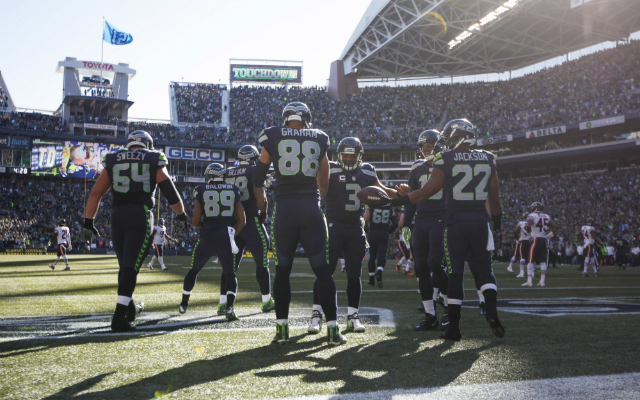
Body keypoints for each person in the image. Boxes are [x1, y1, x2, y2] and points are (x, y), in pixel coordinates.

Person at [365, 119, 505, 341]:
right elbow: (495, 200)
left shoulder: (445, 158)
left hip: (452, 222)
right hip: (477, 220)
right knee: (483, 269)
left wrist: (394, 202)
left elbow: (423, 193)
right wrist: (497, 225)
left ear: (454, 136)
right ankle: (490, 311)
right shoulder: (487, 157)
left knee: (455, 273)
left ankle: (454, 326)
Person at [252, 102, 346, 345]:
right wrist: (317, 195)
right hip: (310, 208)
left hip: (284, 210)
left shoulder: (272, 134)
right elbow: (324, 176)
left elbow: (258, 176)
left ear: (285, 118)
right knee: (323, 271)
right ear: (307, 118)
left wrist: (262, 204)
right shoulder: (319, 137)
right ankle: (333, 331)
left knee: (283, 270)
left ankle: (282, 330)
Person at [82, 130, 188, 332]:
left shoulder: (114, 159)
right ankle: (118, 316)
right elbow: (170, 191)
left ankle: (129, 309)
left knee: (125, 267)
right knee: (130, 268)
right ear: (148, 144)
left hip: (117, 216)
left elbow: (96, 194)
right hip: (139, 214)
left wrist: (88, 222)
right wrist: (181, 215)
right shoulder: (152, 158)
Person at [310, 137, 400, 334]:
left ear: (360, 156)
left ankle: (353, 316)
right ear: (339, 155)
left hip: (355, 228)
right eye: (346, 155)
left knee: (354, 274)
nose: (349, 159)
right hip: (332, 226)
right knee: (325, 272)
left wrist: (401, 193)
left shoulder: (367, 171)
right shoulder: (331, 168)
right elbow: (318, 188)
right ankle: (316, 314)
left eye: (353, 155)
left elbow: (384, 192)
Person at [179, 163, 245, 321]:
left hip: (208, 236)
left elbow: (195, 221)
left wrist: (206, 226)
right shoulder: (233, 189)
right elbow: (242, 220)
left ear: (209, 176)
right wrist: (231, 233)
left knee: (194, 270)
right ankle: (229, 308)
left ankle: (184, 304)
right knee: (230, 273)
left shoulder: (201, 190)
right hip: (226, 236)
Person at [402, 130, 450, 332]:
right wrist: (406, 223)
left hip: (441, 217)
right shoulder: (417, 167)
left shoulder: (448, 164)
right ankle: (430, 316)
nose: (426, 149)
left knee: (436, 264)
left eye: (430, 145)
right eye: (424, 146)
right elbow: (412, 197)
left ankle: (449, 311)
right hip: (421, 220)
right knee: (420, 268)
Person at [223, 145, 274, 313]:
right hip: (251, 221)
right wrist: (264, 213)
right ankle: (266, 300)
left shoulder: (227, 172)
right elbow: (260, 197)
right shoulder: (254, 171)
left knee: (230, 266)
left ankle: (223, 303)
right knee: (262, 263)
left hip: (232, 224)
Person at [522, 202, 558, 287]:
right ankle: (542, 281)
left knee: (530, 260)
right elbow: (555, 227)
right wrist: (548, 236)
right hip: (543, 240)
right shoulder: (546, 216)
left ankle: (529, 281)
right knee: (542, 261)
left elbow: (528, 226)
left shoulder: (532, 215)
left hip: (535, 239)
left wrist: (528, 235)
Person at [364, 205, 397, 288]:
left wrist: (366, 230)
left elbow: (365, 219)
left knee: (372, 256)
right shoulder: (389, 208)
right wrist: (389, 231)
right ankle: (379, 271)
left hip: (373, 233)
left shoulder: (371, 206)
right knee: (382, 255)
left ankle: (371, 279)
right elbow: (395, 223)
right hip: (384, 233)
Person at [509, 213, 530, 278]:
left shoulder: (521, 223)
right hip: (529, 241)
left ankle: (522, 272)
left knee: (522, 257)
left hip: (523, 240)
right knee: (529, 257)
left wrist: (518, 239)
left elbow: (515, 232)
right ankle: (531, 273)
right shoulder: (531, 223)